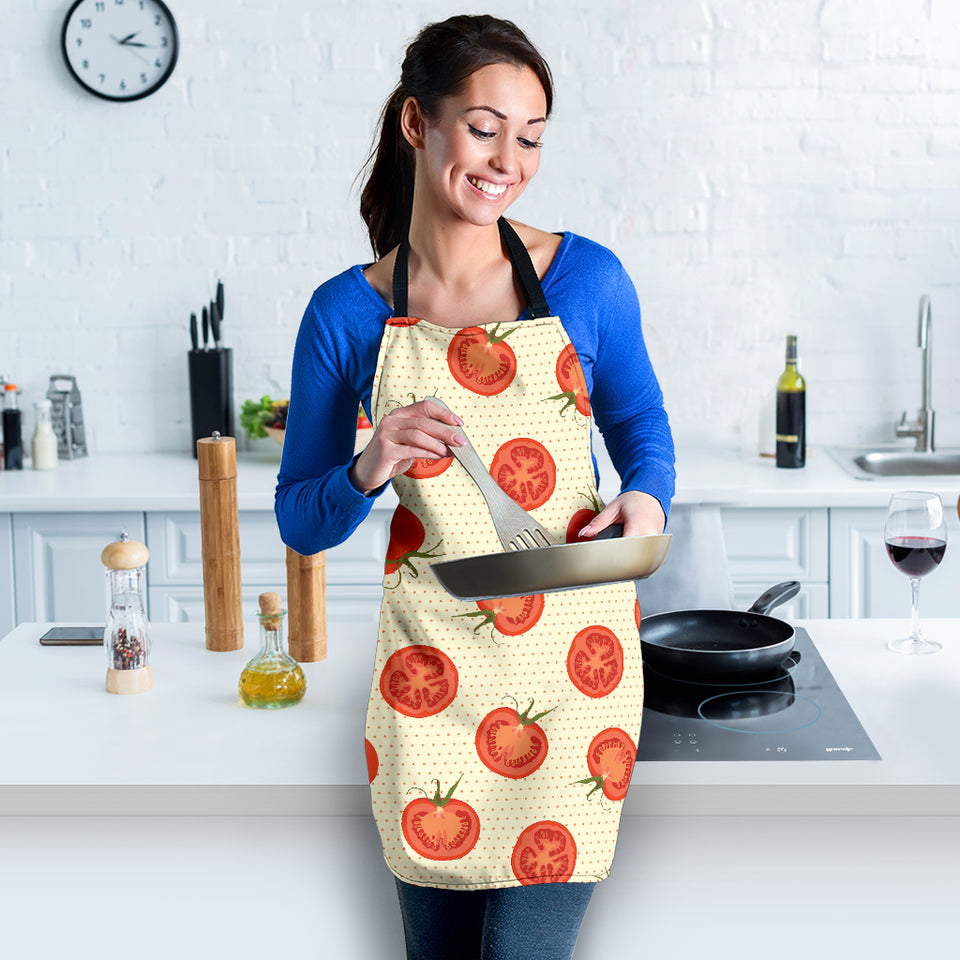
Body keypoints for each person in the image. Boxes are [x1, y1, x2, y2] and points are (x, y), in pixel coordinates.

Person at [275, 14, 675, 960]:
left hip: (576, 675)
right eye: (485, 127)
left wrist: (647, 500)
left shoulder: (588, 281)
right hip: (431, 684)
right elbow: (303, 517)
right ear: (419, 124)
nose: (509, 160)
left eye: (530, 138)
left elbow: (644, 432)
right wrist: (370, 466)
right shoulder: (346, 313)